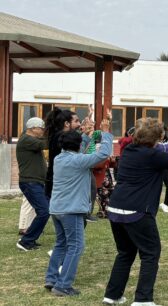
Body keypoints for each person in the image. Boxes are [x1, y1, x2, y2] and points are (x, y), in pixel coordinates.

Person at [103, 117, 168, 306]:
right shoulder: (152, 156)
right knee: (150, 253)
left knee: (125, 252)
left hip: (116, 208)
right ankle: (143, 299)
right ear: (157, 136)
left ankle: (112, 295)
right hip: (137, 210)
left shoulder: (128, 151)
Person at [46, 114, 112, 297]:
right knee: (76, 246)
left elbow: (78, 147)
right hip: (71, 210)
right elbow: (103, 154)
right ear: (77, 145)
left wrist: (85, 134)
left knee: (61, 244)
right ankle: (63, 285)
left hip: (57, 209)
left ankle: (51, 278)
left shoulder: (60, 158)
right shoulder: (78, 161)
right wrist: (105, 134)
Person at [16, 117, 49, 252]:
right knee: (44, 211)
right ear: (33, 128)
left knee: (45, 210)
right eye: (41, 128)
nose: (42, 131)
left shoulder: (31, 139)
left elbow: (43, 141)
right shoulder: (26, 139)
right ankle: (26, 240)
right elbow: (46, 144)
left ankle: (30, 239)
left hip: (35, 182)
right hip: (30, 182)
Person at [44, 107, 81, 198]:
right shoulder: (61, 137)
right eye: (76, 121)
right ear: (67, 124)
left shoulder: (59, 136)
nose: (79, 124)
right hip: (57, 182)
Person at [156, 131, 168, 213]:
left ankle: (166, 204)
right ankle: (153, 204)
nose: (162, 134)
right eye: (161, 133)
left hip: (166, 166)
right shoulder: (153, 142)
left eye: (163, 133)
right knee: (157, 187)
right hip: (156, 167)